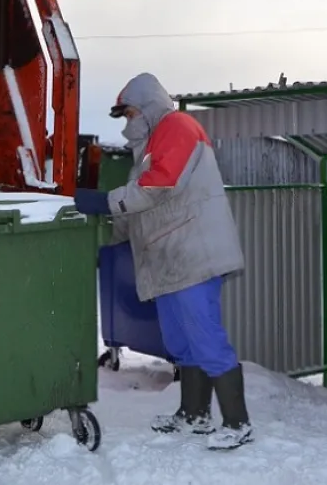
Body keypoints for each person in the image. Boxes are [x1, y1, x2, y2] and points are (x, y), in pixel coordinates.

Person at [72, 72, 252, 451]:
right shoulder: (151, 146)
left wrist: (104, 202)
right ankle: (195, 414)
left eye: (130, 114)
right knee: (180, 341)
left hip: (194, 256)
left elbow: (156, 187)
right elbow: (139, 211)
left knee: (205, 337)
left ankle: (237, 423)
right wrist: (101, 240)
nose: (127, 124)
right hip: (172, 262)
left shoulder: (177, 127)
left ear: (149, 108)